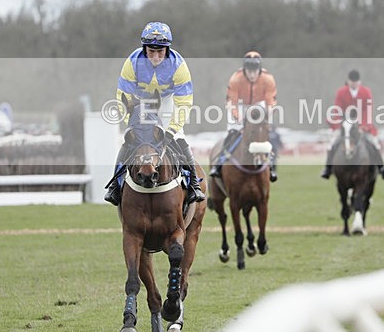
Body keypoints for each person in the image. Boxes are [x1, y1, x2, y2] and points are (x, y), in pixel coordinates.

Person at [104, 21, 205, 206]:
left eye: (160, 51)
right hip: (139, 102)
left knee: (179, 138)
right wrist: (132, 124)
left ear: (167, 49)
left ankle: (193, 184)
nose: (156, 56)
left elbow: (184, 103)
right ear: (144, 49)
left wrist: (171, 130)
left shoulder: (179, 65)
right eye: (151, 51)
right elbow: (123, 97)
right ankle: (115, 186)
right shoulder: (132, 62)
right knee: (129, 140)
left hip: (166, 102)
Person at [209, 51, 278, 182]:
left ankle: (272, 166)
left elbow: (271, 103)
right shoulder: (236, 78)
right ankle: (219, 163)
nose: (252, 75)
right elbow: (231, 102)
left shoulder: (268, 79)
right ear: (244, 69)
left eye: (254, 71)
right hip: (240, 105)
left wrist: (265, 118)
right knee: (233, 133)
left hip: (259, 105)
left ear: (259, 70)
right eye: (249, 71)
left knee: (266, 134)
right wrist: (239, 118)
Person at [320, 69, 384, 180]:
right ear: (348, 82)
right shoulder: (341, 92)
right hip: (345, 124)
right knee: (332, 143)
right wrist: (339, 123)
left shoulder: (366, 92)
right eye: (352, 82)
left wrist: (363, 125)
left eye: (356, 82)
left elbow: (368, 109)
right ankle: (327, 169)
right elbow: (337, 108)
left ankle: (382, 167)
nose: (354, 84)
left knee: (374, 143)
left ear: (359, 82)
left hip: (362, 124)